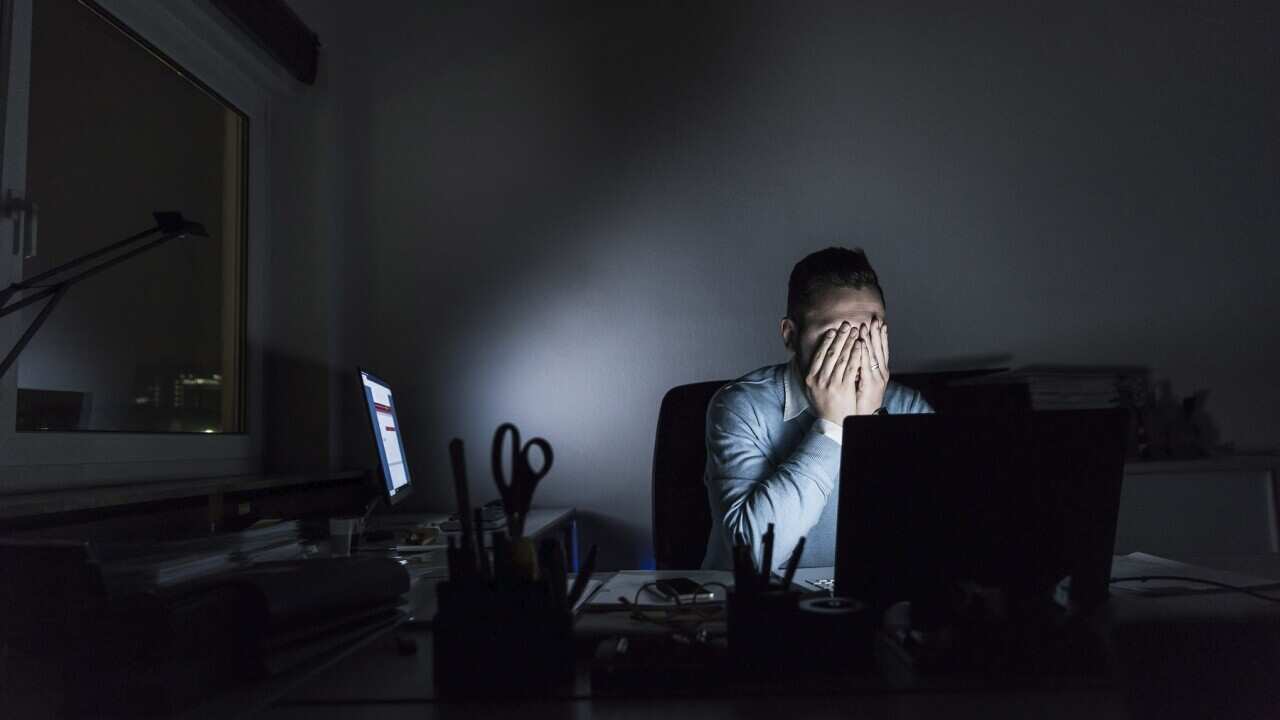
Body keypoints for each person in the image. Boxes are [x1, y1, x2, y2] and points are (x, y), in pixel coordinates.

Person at [701, 247, 933, 571]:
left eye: (870, 333)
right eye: (836, 336)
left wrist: (870, 427)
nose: (856, 352)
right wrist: (834, 426)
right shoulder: (742, 407)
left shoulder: (908, 408)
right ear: (790, 336)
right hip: (758, 610)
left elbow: (923, 540)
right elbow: (750, 556)